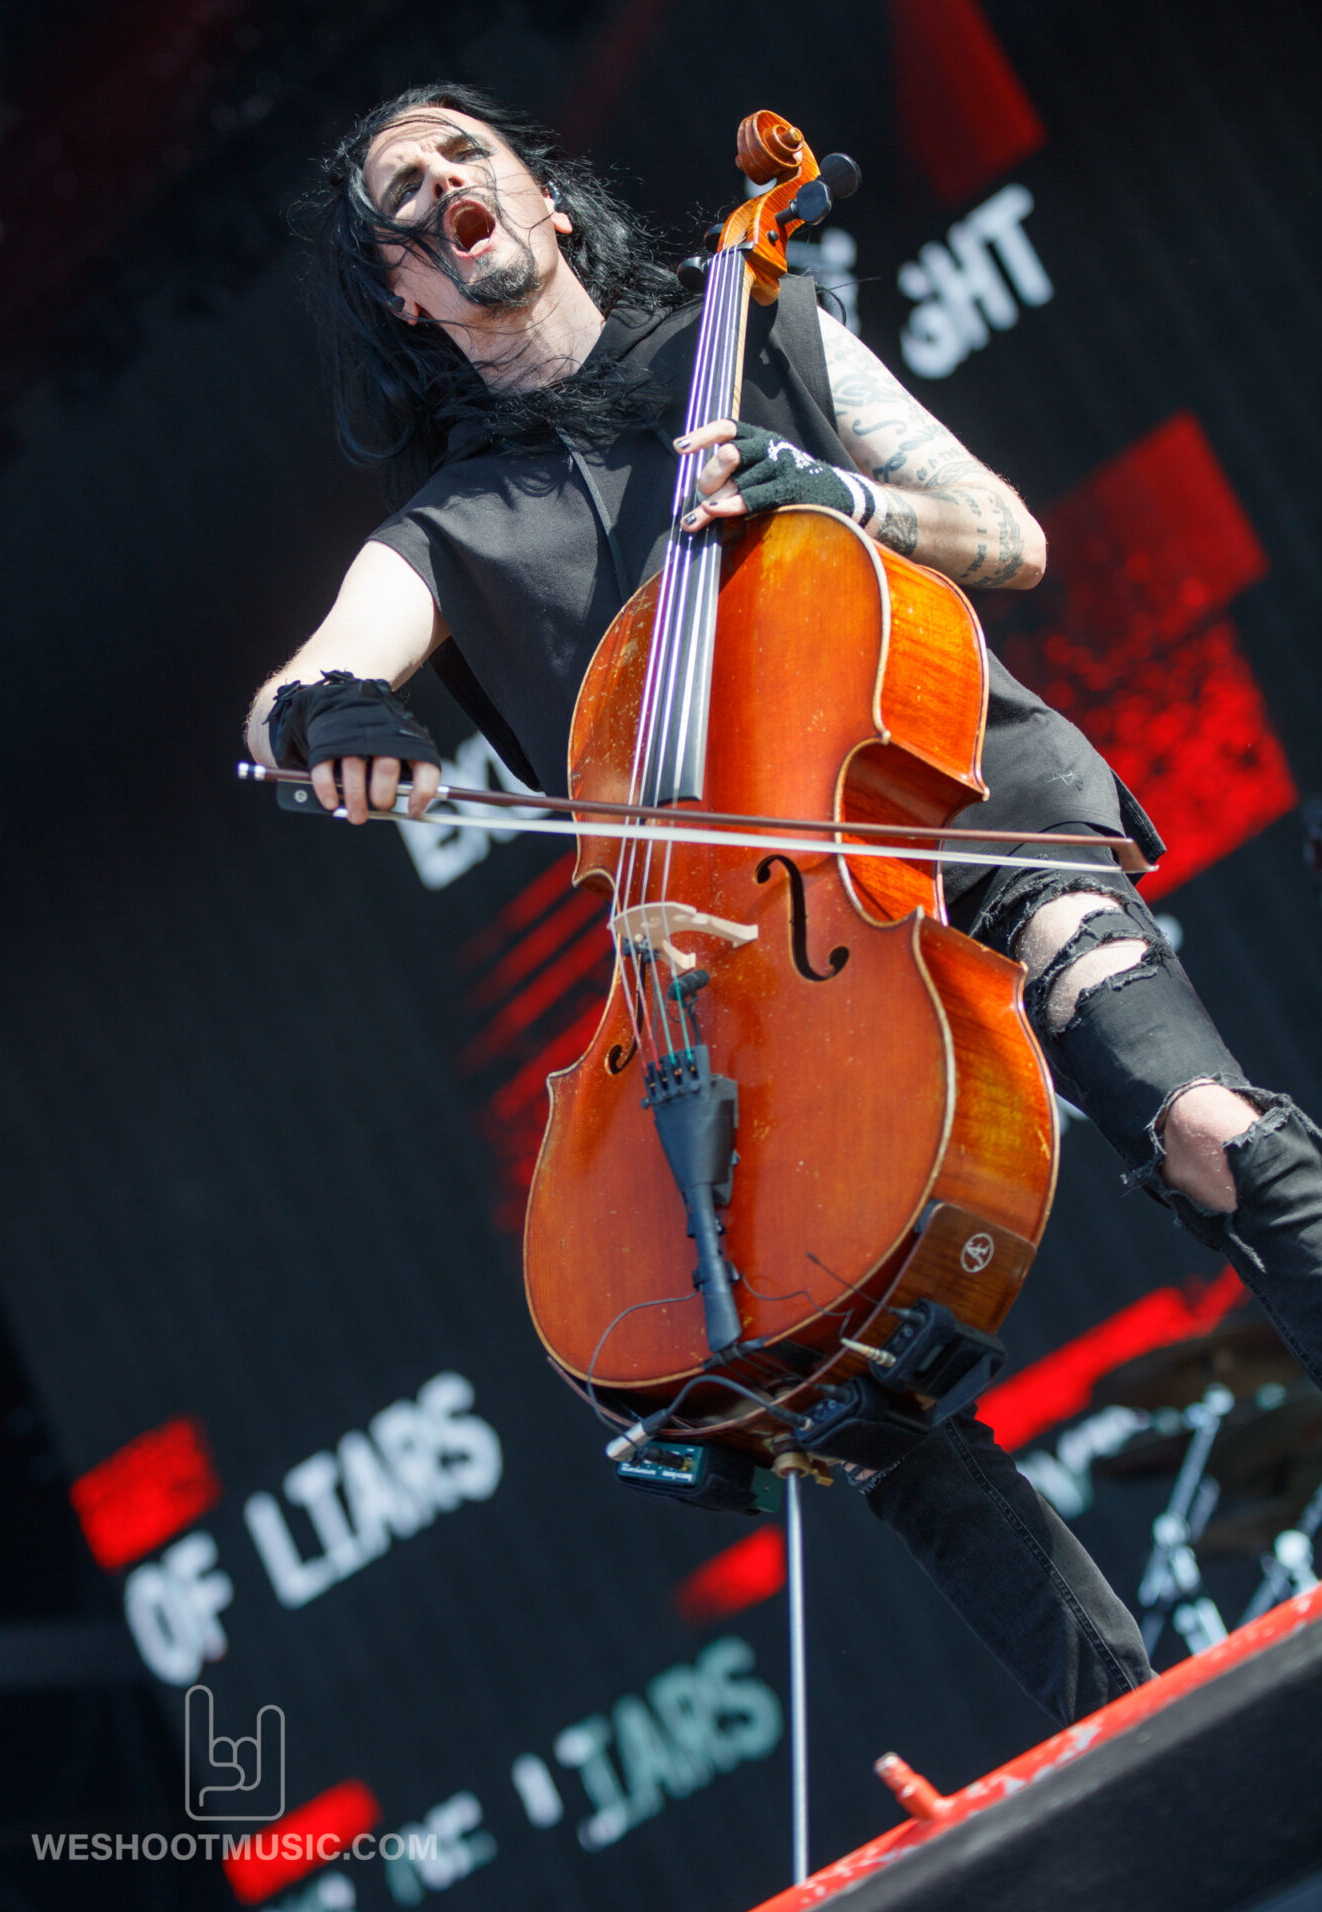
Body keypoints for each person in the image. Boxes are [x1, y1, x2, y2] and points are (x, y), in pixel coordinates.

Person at [246, 83, 1322, 1725]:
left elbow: (1007, 536)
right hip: (739, 963)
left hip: (965, 816)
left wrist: (841, 502)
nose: (446, 181)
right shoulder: (447, 534)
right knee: (840, 1379)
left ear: (542, 200)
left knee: (1208, 1135)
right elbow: (293, 691)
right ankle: (1146, 1748)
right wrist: (335, 716)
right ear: (404, 288)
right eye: (404, 191)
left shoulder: (753, 330)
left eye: (470, 153)